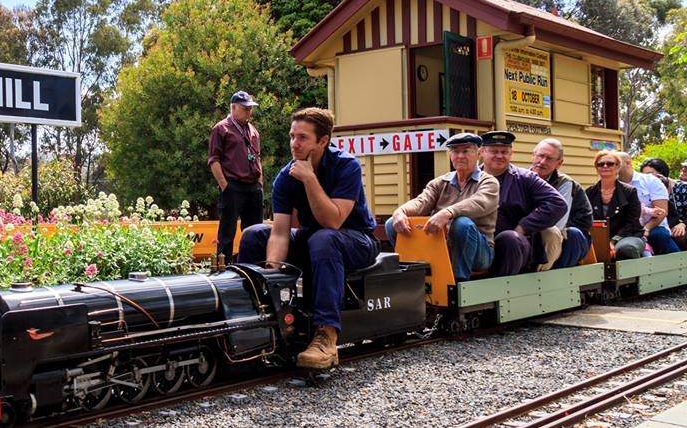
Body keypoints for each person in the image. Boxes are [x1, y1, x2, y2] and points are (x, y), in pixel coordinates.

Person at [237, 107, 379, 369]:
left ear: (323, 141)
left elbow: (334, 221)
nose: (294, 143)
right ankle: (252, 322)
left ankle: (326, 335)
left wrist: (310, 179)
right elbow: (280, 232)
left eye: (302, 137)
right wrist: (272, 274)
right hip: (314, 237)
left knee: (324, 238)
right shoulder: (285, 176)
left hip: (357, 241)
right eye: (292, 136)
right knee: (255, 234)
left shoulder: (346, 166)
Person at [385, 133, 498, 281]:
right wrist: (400, 211)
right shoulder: (440, 182)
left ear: (479, 153)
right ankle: (411, 275)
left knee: (462, 224)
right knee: (392, 223)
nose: (460, 156)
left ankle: (458, 282)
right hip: (441, 246)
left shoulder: (489, 182)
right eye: (455, 151)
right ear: (450, 155)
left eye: (466, 151)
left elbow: (479, 203)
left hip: (479, 252)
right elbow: (422, 202)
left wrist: (448, 212)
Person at [478, 131, 567, 276]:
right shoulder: (470, 178)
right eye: (494, 151)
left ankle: (503, 291)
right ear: (482, 152)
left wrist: (523, 227)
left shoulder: (525, 178)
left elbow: (557, 203)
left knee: (510, 238)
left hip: (514, 245)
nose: (499, 156)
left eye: (504, 152)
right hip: (479, 242)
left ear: (511, 154)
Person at [208, 91, 264, 262]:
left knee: (254, 231)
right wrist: (225, 186)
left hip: (253, 186)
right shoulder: (221, 128)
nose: (249, 111)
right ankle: (222, 270)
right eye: (245, 108)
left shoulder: (253, 130)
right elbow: (213, 160)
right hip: (233, 186)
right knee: (227, 231)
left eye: (250, 108)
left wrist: (260, 182)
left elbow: (257, 156)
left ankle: (253, 267)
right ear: (233, 107)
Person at [529, 138, 593, 270]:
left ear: (559, 163)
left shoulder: (565, 183)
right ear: (533, 155)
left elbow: (558, 223)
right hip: (535, 230)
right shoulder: (521, 177)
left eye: (549, 159)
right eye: (540, 156)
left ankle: (554, 276)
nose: (542, 162)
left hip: (568, 237)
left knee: (569, 233)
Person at [617, 152, 680, 255]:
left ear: (628, 163)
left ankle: (679, 263)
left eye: (616, 163)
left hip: (654, 227)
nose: (611, 167)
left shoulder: (650, 181)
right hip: (627, 229)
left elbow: (662, 212)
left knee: (659, 235)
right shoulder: (613, 185)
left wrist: (646, 229)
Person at [586, 151, 645, 260]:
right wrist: (600, 242)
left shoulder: (630, 191)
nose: (605, 166)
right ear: (596, 168)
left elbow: (631, 222)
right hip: (598, 237)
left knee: (625, 250)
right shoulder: (589, 192)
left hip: (627, 235)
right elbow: (586, 220)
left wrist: (612, 241)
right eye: (600, 164)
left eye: (610, 163)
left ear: (617, 167)